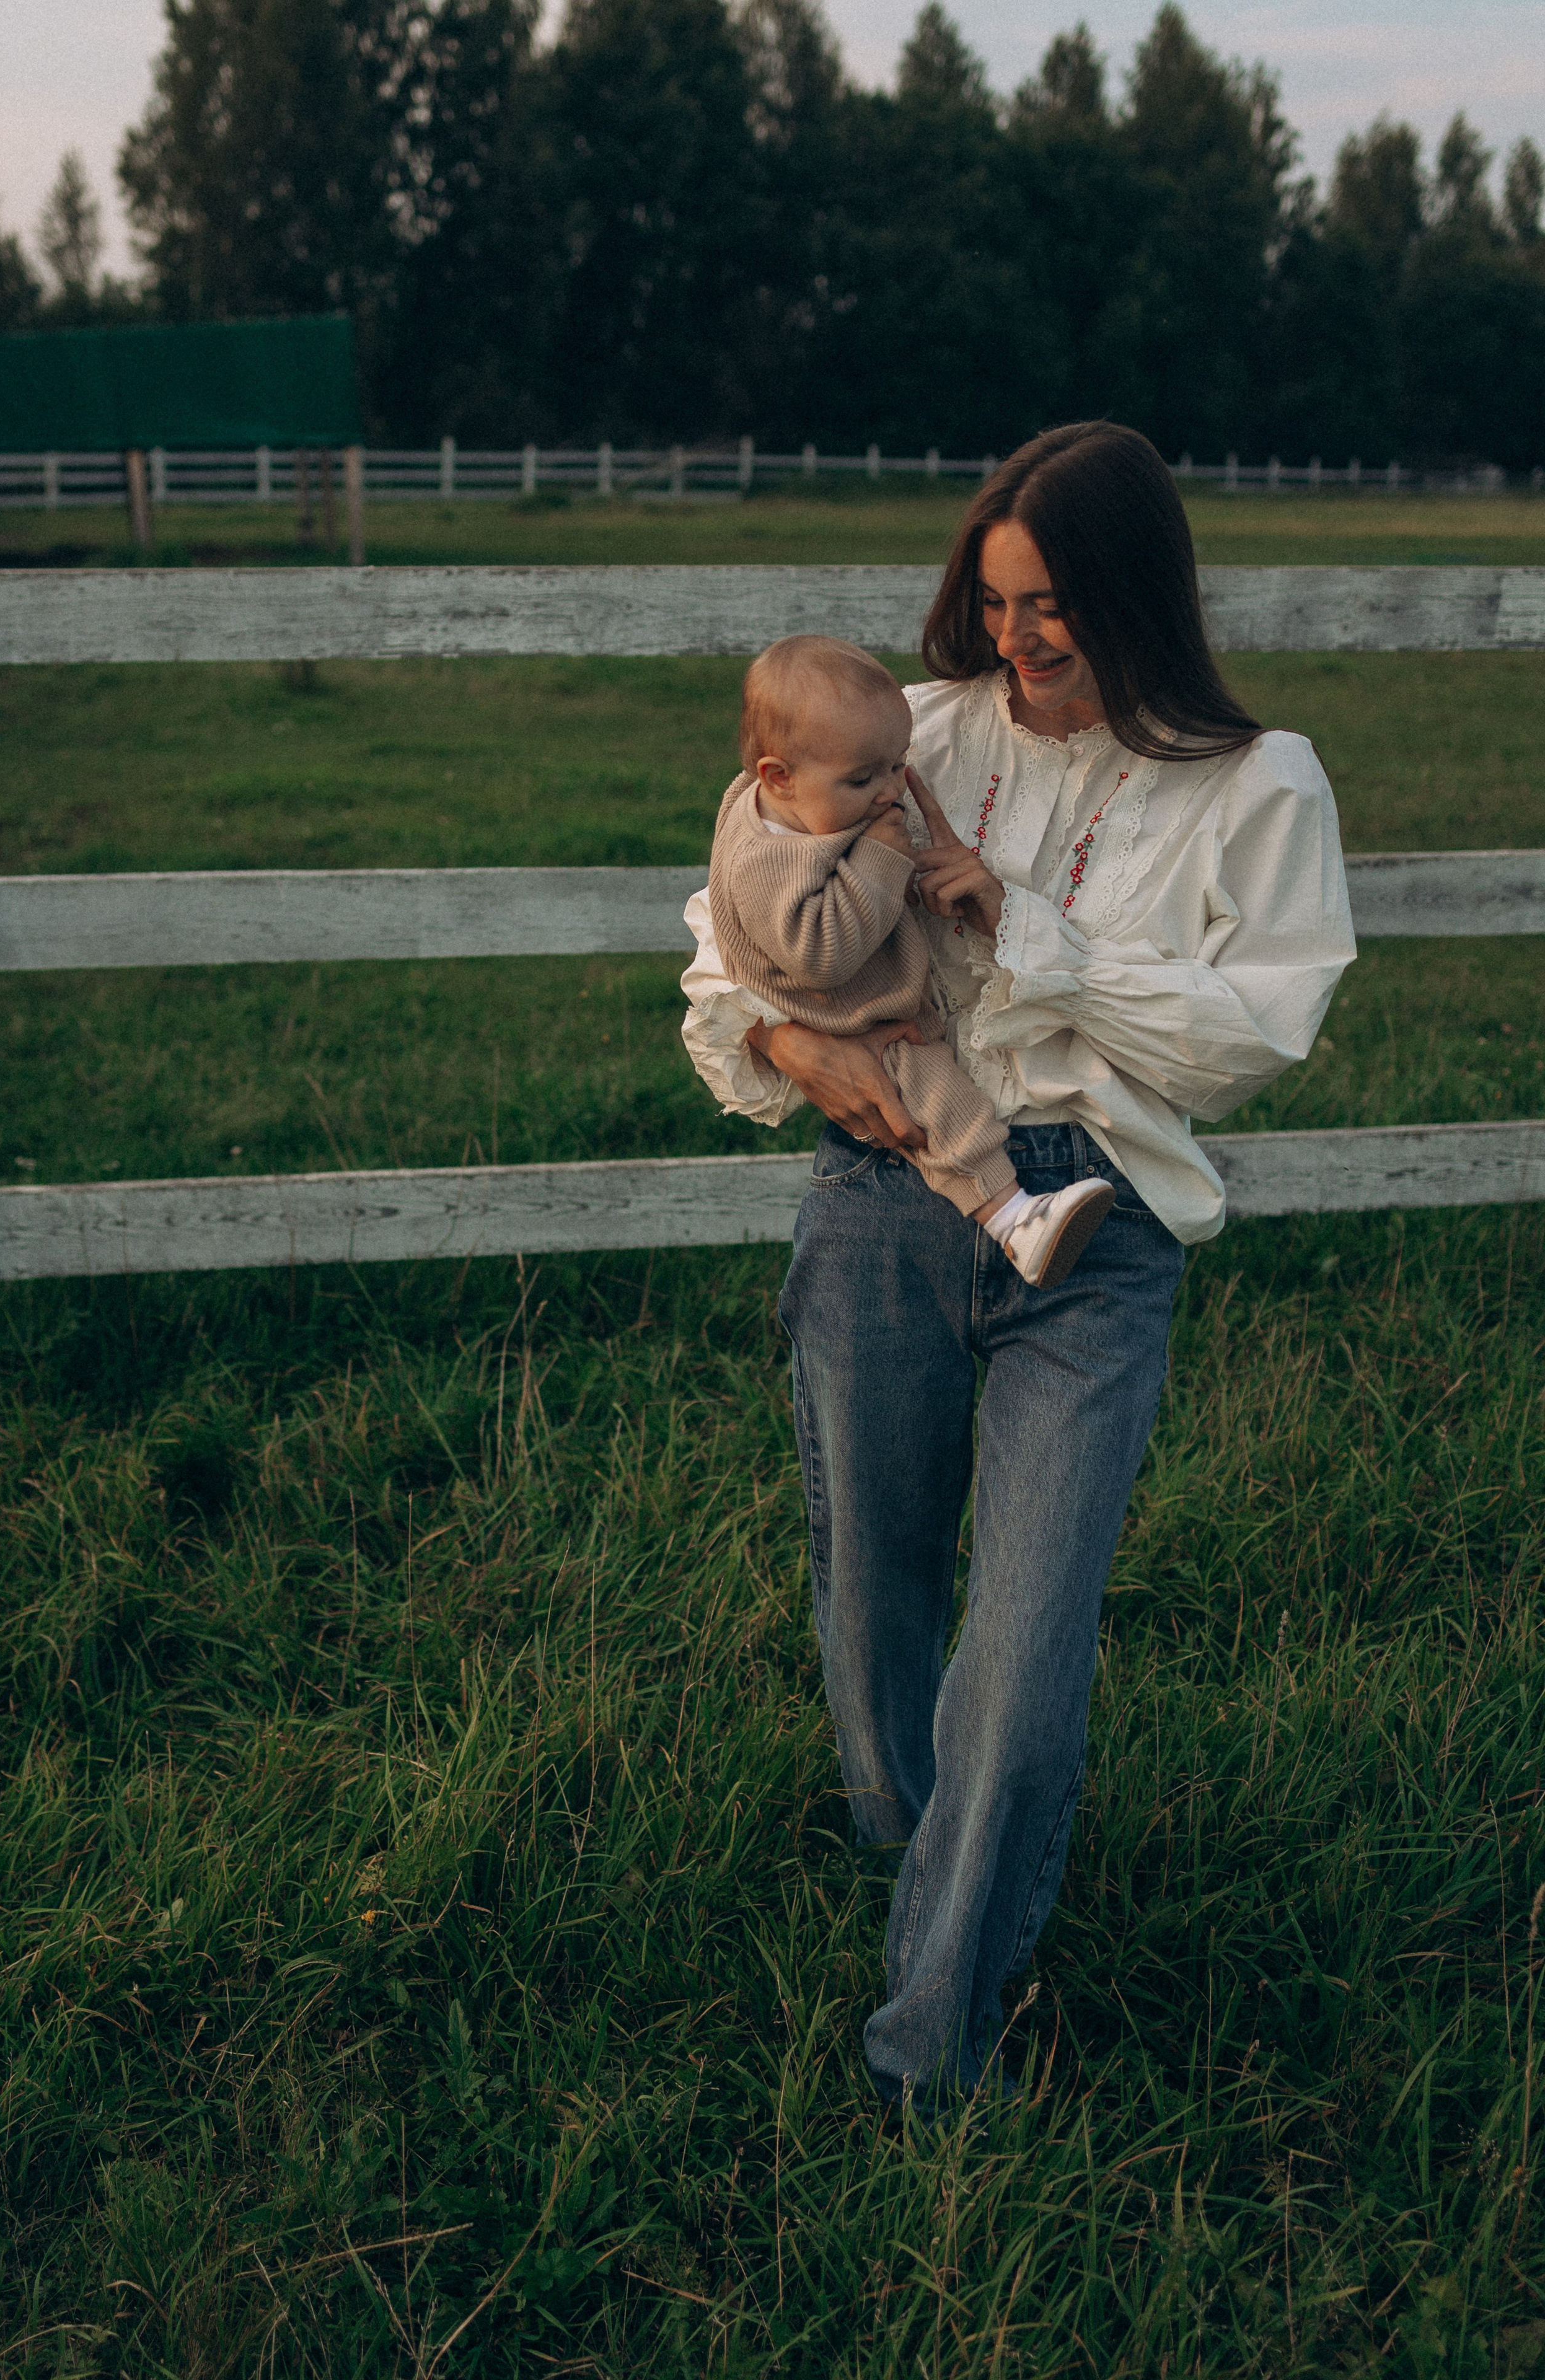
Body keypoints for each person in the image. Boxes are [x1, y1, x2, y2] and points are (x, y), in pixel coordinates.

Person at [680, 420, 1357, 2115]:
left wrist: (1025, 933)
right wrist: (782, 1040)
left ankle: (933, 2044)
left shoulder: (1260, 785)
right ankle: (915, 1874)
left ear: (1137, 592)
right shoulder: (904, 733)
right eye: (994, 602)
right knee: (874, 1583)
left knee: (1029, 1641)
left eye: (1052, 603)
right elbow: (725, 944)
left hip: (1100, 1227)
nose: (1018, 640)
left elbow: (1242, 1042)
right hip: (885, 1197)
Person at [708, 633, 1117, 1286]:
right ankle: (1014, 1219)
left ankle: (1013, 1216)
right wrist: (880, 858)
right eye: (862, 778)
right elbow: (820, 955)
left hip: (853, 1010)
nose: (889, 791)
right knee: (940, 1102)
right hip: (851, 1022)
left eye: (896, 766)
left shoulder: (775, 807)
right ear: (777, 776)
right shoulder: (767, 860)